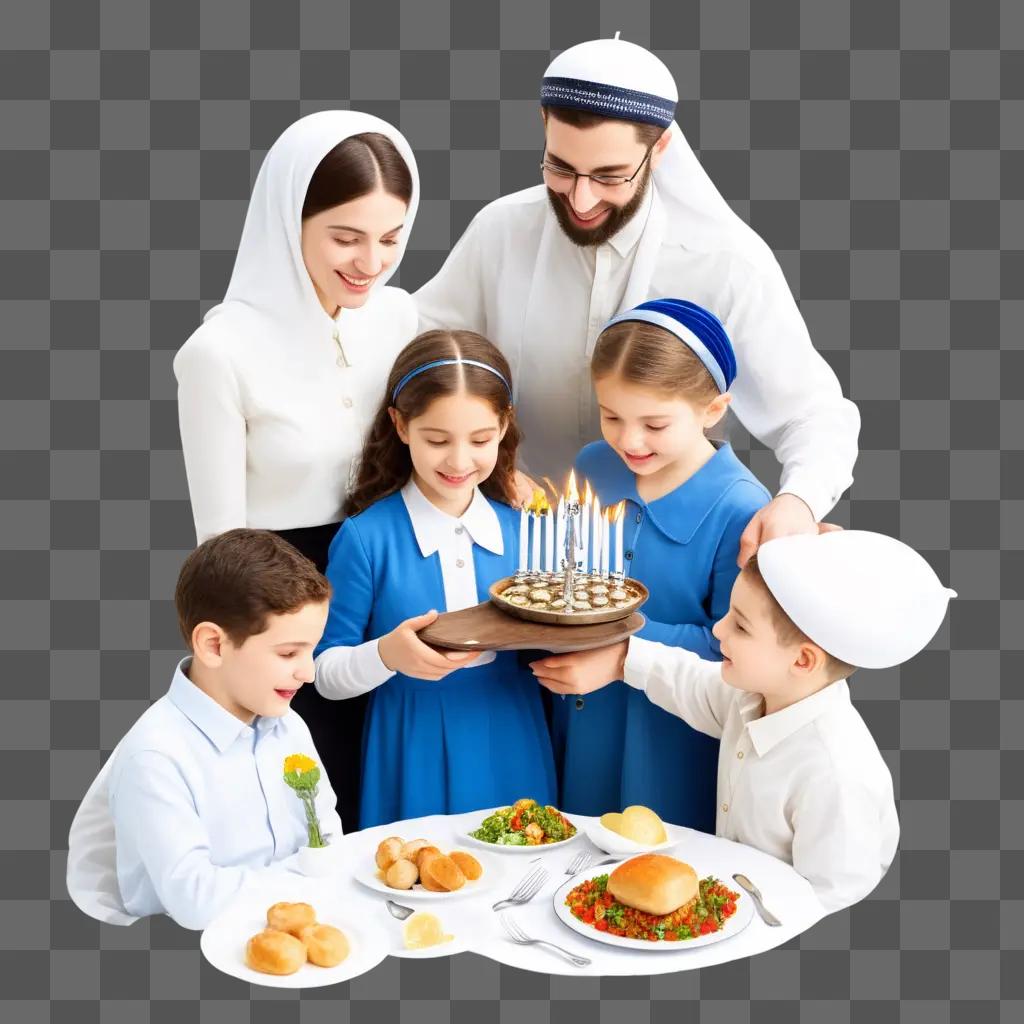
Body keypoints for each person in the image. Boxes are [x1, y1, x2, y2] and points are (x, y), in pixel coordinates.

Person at [415, 35, 859, 563]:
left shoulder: (726, 262)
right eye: (560, 168)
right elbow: (418, 356)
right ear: (543, 127)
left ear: (660, 149)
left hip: (672, 553)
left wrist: (798, 501)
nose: (581, 199)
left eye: (609, 176)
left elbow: (812, 413)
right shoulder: (500, 231)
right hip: (510, 538)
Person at [174, 111, 421, 829]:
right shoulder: (220, 354)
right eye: (345, 238)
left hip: (393, 589)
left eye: (391, 238)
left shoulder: (397, 318)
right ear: (289, 222)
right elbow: (219, 556)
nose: (371, 263)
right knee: (313, 814)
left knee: (404, 809)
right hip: (284, 610)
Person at [531, 530, 957, 912]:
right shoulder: (754, 698)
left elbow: (832, 901)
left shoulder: (836, 773)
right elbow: (692, 683)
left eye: (741, 626)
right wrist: (622, 659)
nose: (718, 631)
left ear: (803, 660)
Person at [313, 330, 557, 828]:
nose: (460, 461)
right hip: (410, 746)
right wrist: (386, 654)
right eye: (437, 440)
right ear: (400, 426)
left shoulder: (528, 532)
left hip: (512, 735)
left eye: (481, 440)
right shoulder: (366, 539)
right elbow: (324, 674)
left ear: (505, 425)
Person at [552, 299, 770, 828]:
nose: (629, 440)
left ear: (713, 409)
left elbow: (733, 646)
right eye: (611, 416)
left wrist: (621, 646)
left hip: (671, 730)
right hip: (578, 713)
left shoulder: (741, 508)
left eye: (654, 423)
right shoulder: (593, 467)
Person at [66, 530, 341, 930]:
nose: (309, 671)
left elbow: (328, 835)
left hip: (296, 930)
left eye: (312, 649)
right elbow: (198, 901)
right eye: (288, 653)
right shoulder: (156, 757)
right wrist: (308, 877)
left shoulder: (289, 727)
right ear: (213, 645)